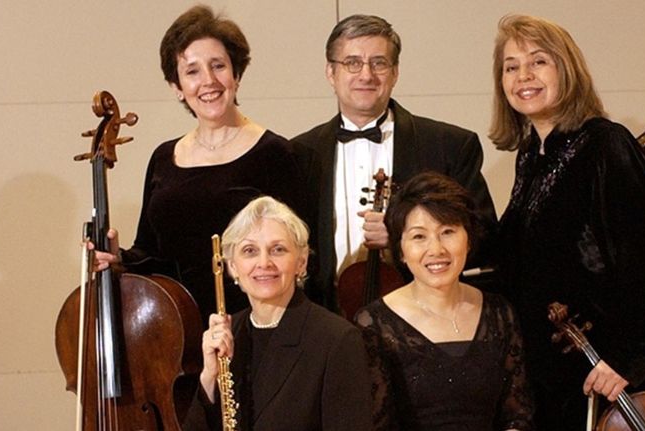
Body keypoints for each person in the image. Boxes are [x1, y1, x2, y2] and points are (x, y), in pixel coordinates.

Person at [490, 14, 645, 430]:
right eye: (511, 66)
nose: (523, 75)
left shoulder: (605, 143)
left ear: (567, 69)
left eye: (538, 61)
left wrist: (627, 359)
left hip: (612, 369)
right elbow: (514, 251)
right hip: (562, 369)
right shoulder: (532, 153)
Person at [90, 5, 317, 319]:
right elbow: (152, 253)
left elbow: (302, 255)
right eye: (192, 71)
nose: (208, 81)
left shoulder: (275, 153)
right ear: (177, 88)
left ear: (236, 75)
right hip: (173, 332)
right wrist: (120, 258)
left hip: (252, 326)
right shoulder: (163, 158)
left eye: (218, 66)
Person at [292, 14, 496, 313]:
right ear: (330, 72)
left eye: (379, 63)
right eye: (352, 63)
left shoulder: (449, 146)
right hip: (327, 319)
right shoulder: (299, 153)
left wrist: (404, 236)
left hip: (426, 318)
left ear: (395, 72)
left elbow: (485, 236)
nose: (366, 75)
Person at [355, 172, 534, 430]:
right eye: (419, 236)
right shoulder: (373, 324)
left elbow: (518, 416)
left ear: (468, 239)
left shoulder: (499, 313)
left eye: (447, 231)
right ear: (401, 250)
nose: (436, 249)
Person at [183, 196, 373, 431]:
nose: (264, 262)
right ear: (232, 267)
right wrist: (209, 376)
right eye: (250, 250)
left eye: (278, 249)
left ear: (301, 263)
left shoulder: (336, 339)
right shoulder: (227, 334)